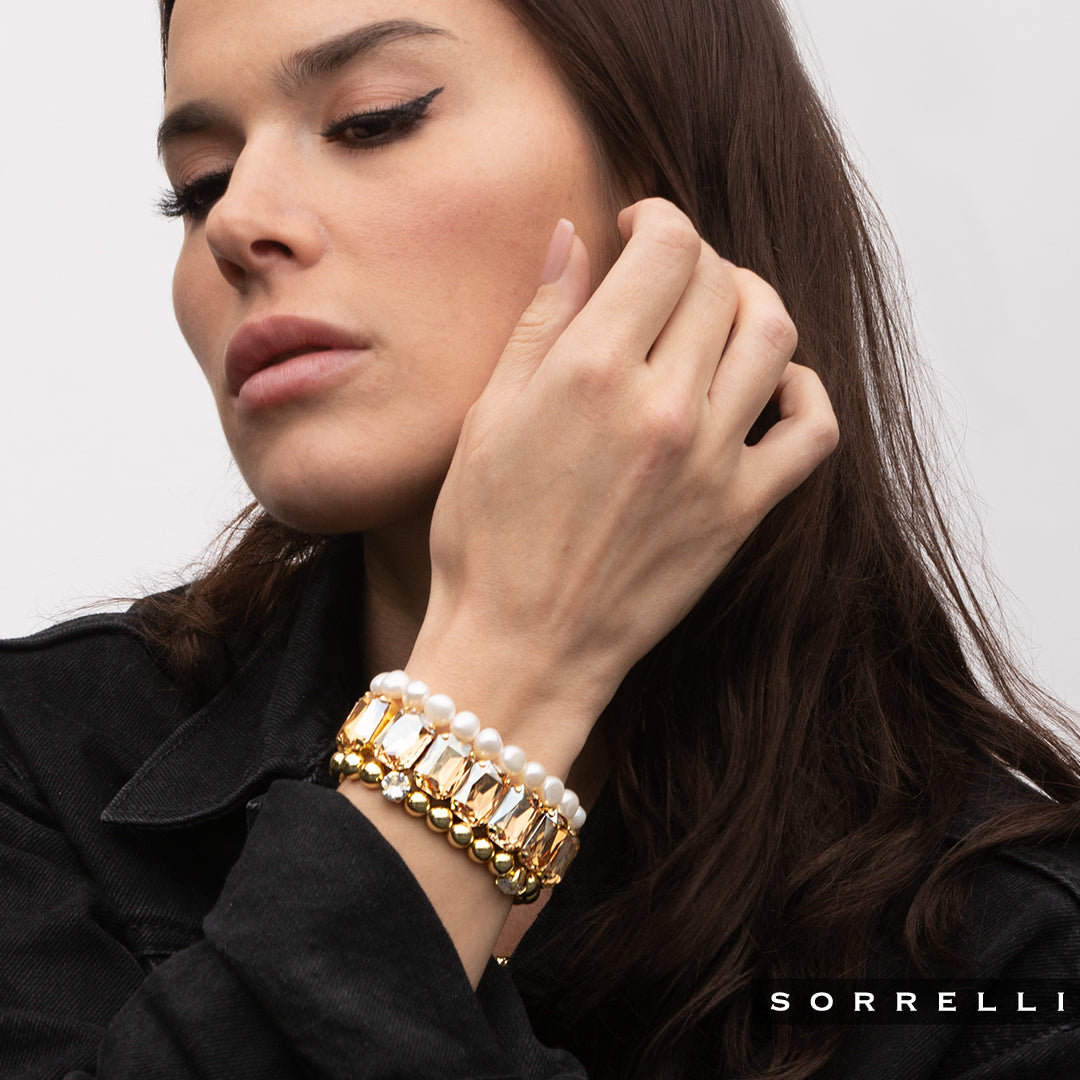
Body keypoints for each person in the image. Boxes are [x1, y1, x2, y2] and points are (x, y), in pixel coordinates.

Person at [2, 2, 1079, 1079]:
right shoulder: (42, 767)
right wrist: (510, 664)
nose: (236, 223)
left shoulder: (1012, 960)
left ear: (665, 171)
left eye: (374, 119)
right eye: (199, 184)